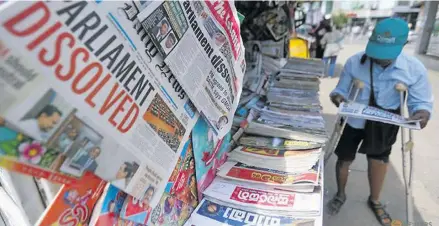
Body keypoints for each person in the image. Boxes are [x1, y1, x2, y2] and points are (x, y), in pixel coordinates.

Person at [327, 18, 433, 226]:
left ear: (402, 46)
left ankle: (374, 200)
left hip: (386, 121)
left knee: (378, 160)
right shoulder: (355, 62)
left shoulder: (414, 69)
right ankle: (340, 194)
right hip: (354, 118)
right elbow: (340, 90)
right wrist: (338, 98)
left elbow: (421, 103)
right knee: (344, 158)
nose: (380, 60)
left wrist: (421, 114)